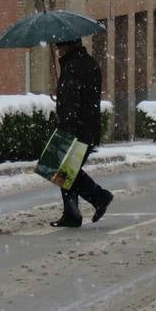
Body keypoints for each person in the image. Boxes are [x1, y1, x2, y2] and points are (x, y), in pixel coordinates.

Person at [50, 38, 113, 228]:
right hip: (87, 126)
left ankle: (100, 197)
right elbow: (81, 95)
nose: (58, 49)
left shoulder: (73, 67)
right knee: (64, 170)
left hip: (75, 127)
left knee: (62, 170)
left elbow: (72, 100)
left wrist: (67, 125)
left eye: (60, 45)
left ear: (70, 45)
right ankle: (72, 214)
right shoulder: (88, 63)